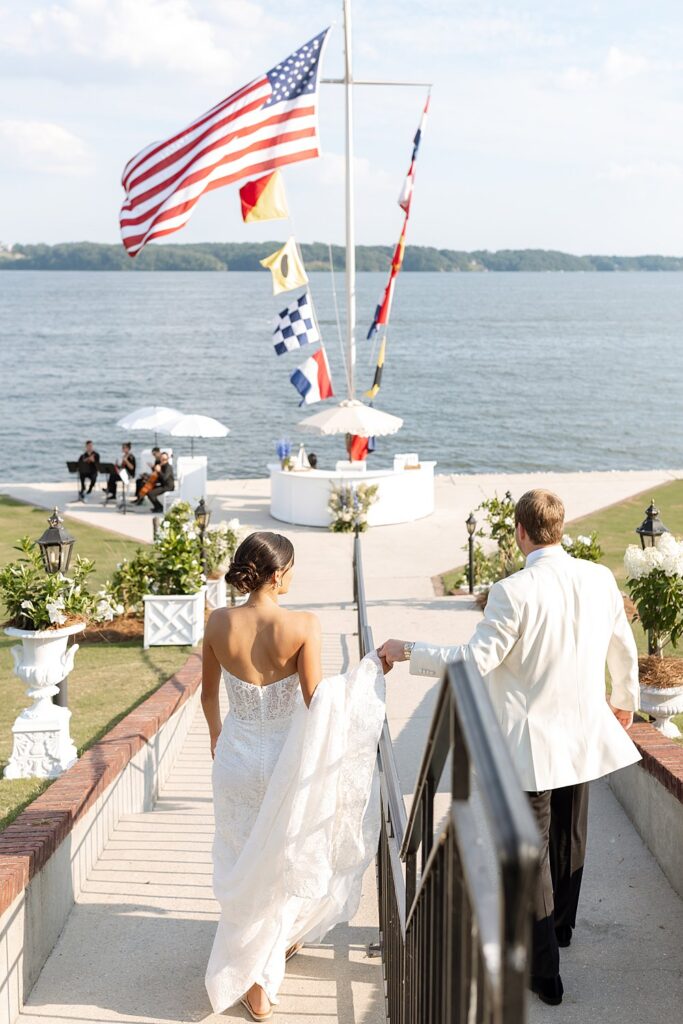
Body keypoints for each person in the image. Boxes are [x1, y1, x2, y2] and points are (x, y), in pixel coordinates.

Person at [378, 488, 641, 1008]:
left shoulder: (512, 590)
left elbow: (472, 662)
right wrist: (625, 700)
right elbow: (622, 645)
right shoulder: (598, 578)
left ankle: (546, 973)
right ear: (559, 527)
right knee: (571, 835)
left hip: (533, 744)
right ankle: (560, 930)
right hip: (584, 733)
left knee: (533, 853)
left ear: (521, 532)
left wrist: (408, 650)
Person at [201, 532, 387, 1020]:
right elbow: (318, 700)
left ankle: (257, 957)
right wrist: (371, 668)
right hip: (286, 763)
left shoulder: (218, 622)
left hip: (237, 756)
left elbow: (206, 697)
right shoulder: (303, 624)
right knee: (279, 865)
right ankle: (259, 981)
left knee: (243, 860)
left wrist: (218, 739)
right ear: (278, 573)